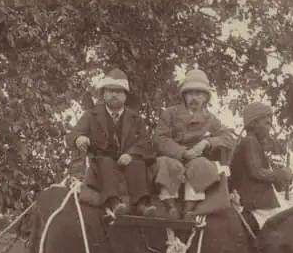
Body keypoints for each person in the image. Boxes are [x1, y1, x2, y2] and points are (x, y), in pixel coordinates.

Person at [67, 68, 157, 216]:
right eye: (110, 90)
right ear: (103, 94)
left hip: (128, 162)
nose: (114, 94)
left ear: (125, 96)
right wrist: (79, 138)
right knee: (105, 162)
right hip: (102, 163)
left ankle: (142, 205)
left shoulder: (136, 119)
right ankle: (115, 204)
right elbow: (72, 135)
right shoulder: (91, 116)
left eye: (119, 91)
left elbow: (146, 143)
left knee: (138, 164)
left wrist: (131, 154)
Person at [154, 68, 235, 219]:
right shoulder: (170, 113)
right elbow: (160, 138)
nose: (194, 98)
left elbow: (228, 138)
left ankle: (189, 209)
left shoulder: (210, 119)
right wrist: (183, 152)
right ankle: (171, 207)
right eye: (190, 93)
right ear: (184, 96)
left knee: (201, 165)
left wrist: (207, 142)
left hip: (196, 160)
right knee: (167, 164)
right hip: (173, 156)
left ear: (205, 97)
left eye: (199, 93)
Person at [228, 101, 293, 227]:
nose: (270, 127)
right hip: (257, 204)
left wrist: (280, 177)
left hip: (260, 202)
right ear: (254, 124)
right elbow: (256, 171)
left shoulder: (252, 143)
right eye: (267, 123)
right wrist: (280, 174)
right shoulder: (250, 142)